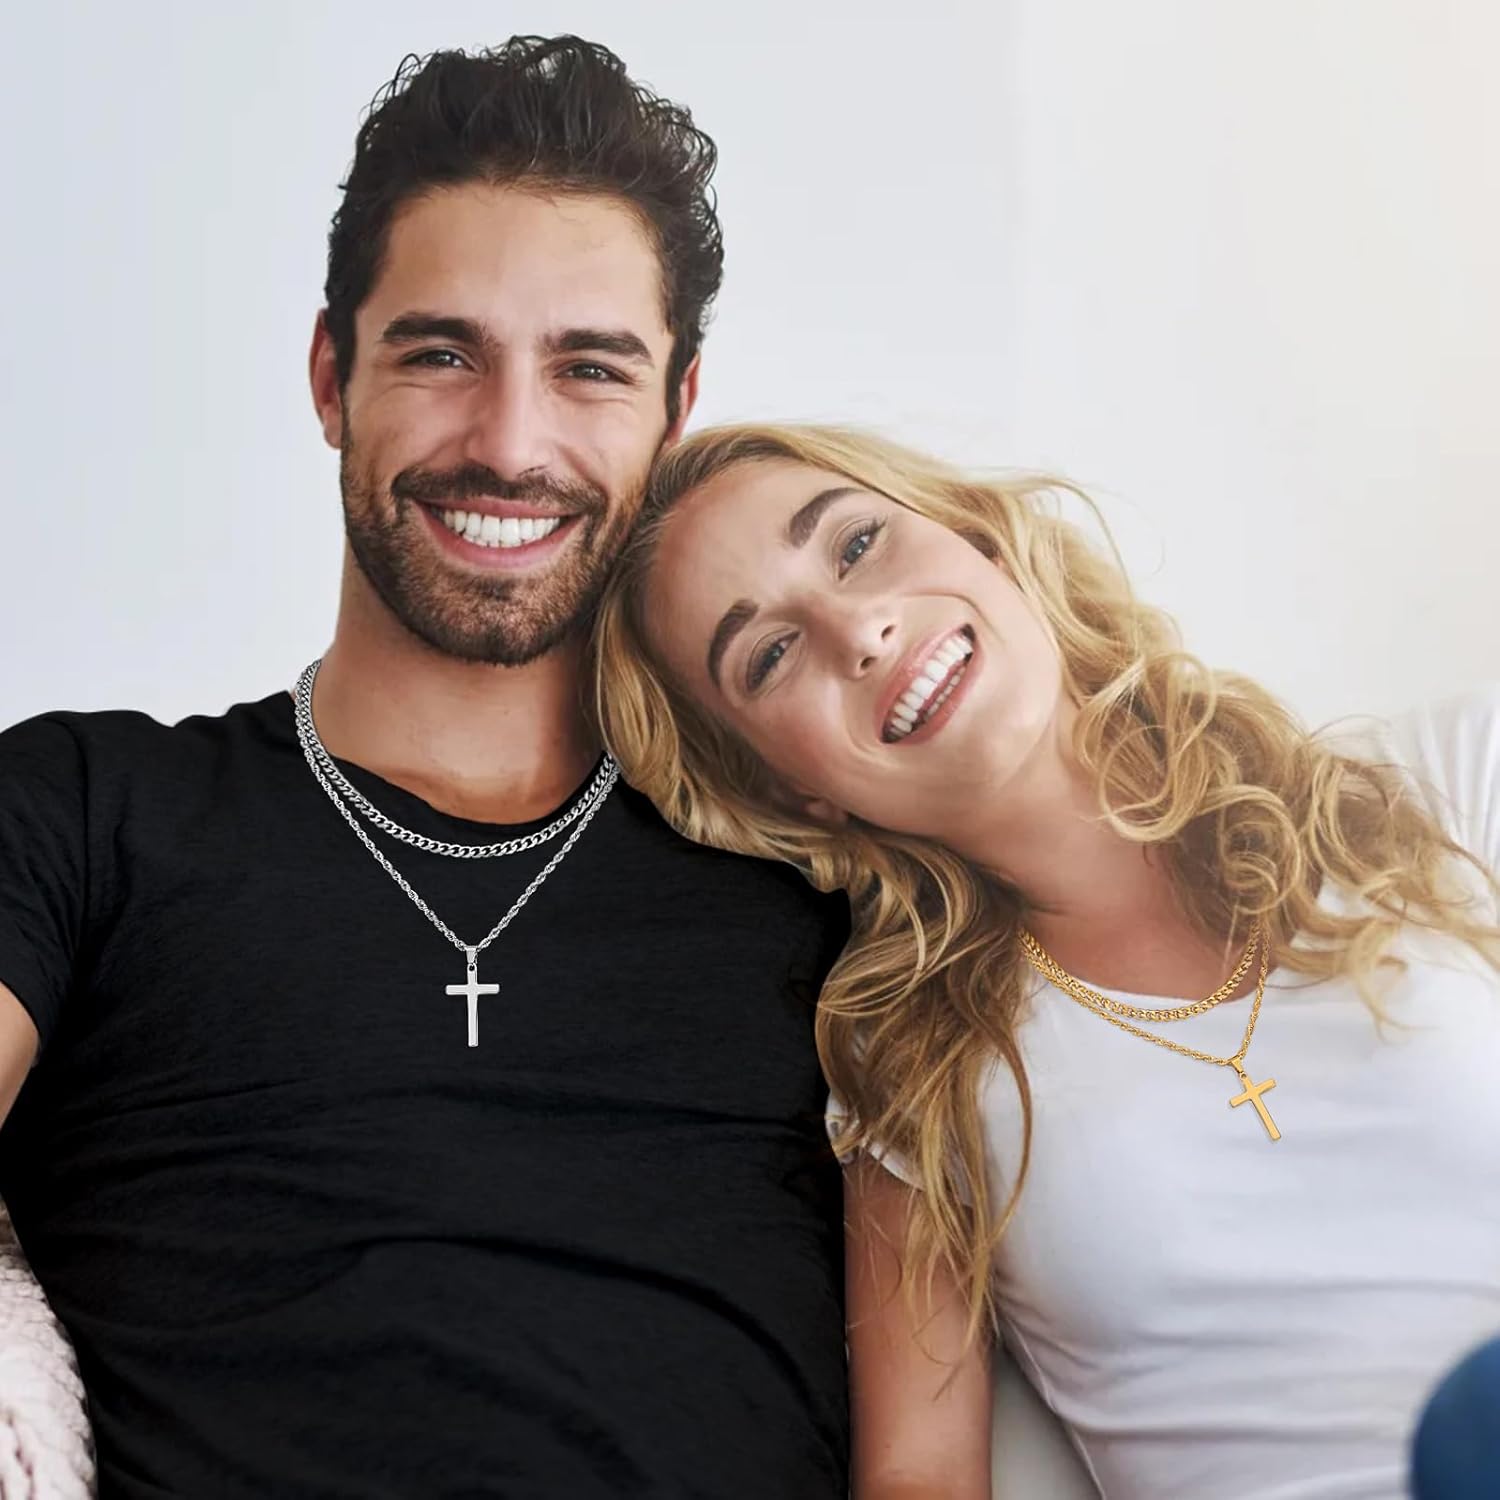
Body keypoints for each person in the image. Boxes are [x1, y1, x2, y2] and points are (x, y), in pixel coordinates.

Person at [0, 45, 852, 1499]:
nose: (509, 444)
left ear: (675, 413)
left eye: (590, 369)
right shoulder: (84, 812)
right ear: (331, 377)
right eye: (440, 354)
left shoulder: (810, 866)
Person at [592, 421, 1500, 1499]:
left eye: (857, 544)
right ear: (789, 788)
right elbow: (921, 1479)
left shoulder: (1447, 786)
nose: (859, 631)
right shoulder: (913, 1073)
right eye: (771, 656)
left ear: (981, 539)